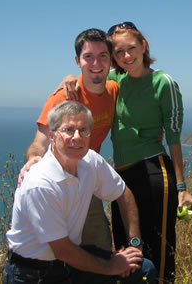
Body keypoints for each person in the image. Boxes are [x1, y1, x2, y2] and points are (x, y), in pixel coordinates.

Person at [60, 22, 192, 283]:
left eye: (131, 49)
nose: (126, 56)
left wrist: (182, 187)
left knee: (159, 250)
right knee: (126, 252)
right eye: (119, 52)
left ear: (143, 46)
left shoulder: (162, 82)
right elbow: (90, 79)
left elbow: (173, 137)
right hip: (121, 176)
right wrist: (68, 79)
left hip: (154, 170)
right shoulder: (115, 81)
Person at [3, 101, 157, 283]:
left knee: (143, 269)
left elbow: (123, 194)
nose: (77, 137)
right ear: (52, 136)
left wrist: (135, 245)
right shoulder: (40, 182)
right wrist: (111, 267)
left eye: (83, 130)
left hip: (70, 262)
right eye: (68, 130)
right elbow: (62, 250)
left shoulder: (90, 161)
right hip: (32, 273)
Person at [19, 28, 118, 251]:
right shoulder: (63, 97)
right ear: (77, 60)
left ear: (111, 60)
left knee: (100, 247)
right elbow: (39, 143)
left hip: (87, 181)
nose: (96, 63)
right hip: (58, 185)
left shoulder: (114, 89)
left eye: (103, 56)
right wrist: (33, 159)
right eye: (88, 57)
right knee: (54, 253)